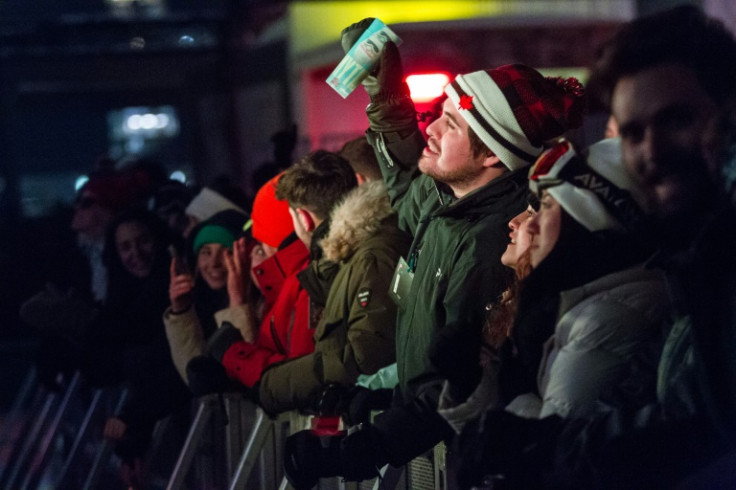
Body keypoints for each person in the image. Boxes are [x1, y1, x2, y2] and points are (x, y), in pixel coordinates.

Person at [283, 18, 586, 487]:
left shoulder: (494, 240)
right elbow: (406, 184)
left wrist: (367, 447)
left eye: (453, 123)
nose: (434, 126)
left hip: (463, 457)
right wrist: (384, 95)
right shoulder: (448, 200)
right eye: (440, 113)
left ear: (491, 155)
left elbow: (464, 380)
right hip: (426, 445)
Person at [456, 5, 736, 489]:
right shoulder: (691, 262)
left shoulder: (719, 262)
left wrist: (542, 447)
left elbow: (704, 428)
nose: (651, 151)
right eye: (632, 132)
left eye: (676, 119)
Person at [256, 151, 411, 416]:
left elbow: (364, 357)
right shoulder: (354, 254)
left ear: (303, 218)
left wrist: (271, 385)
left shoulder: (372, 257)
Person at [164, 209, 248, 384]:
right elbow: (194, 378)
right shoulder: (198, 304)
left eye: (227, 252)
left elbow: (245, 375)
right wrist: (181, 312)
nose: (214, 264)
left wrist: (237, 303)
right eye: (206, 252)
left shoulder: (258, 304)